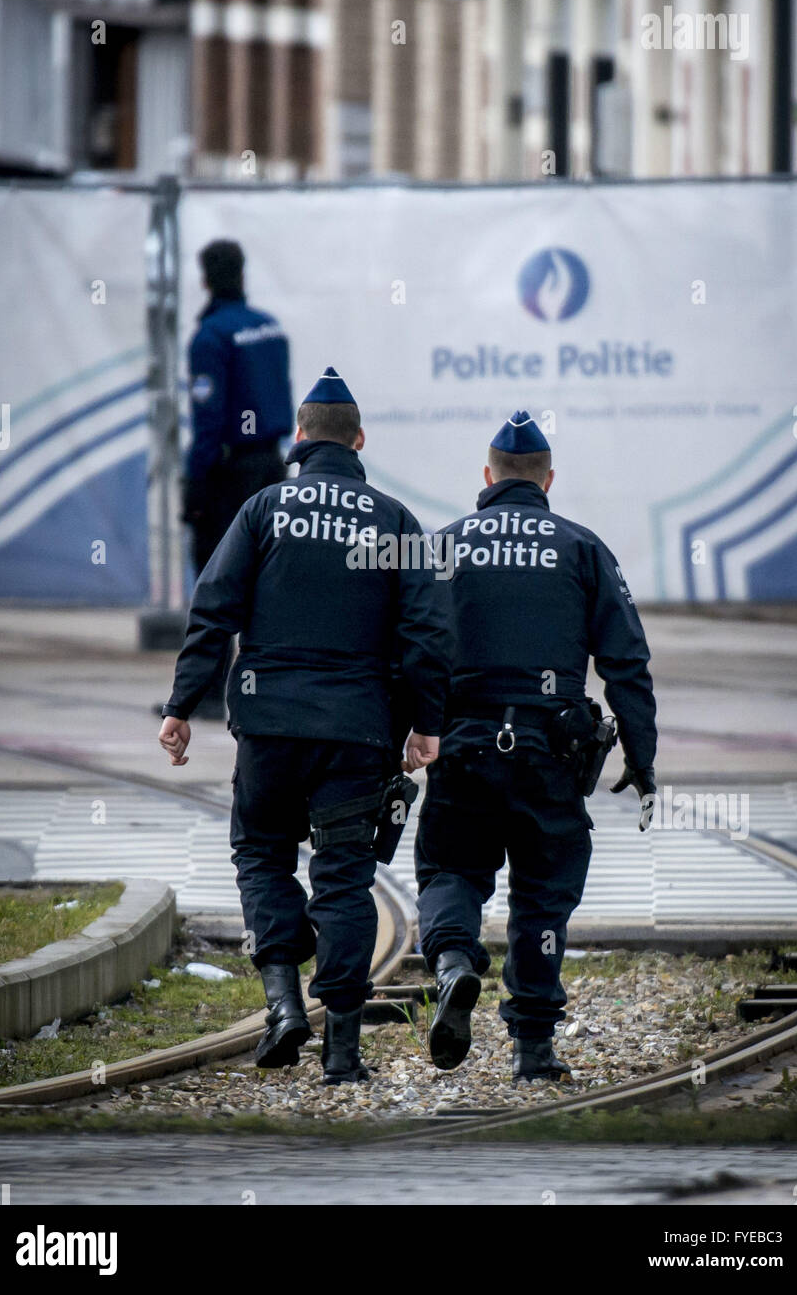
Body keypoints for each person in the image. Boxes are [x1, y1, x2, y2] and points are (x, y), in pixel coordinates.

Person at [158, 368, 452, 1084]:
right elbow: (426, 633)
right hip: (357, 733)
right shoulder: (395, 521)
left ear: (296, 437)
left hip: (268, 726)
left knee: (261, 855)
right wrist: (425, 726)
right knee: (345, 881)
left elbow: (213, 610)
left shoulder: (263, 509)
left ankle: (284, 1006)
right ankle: (343, 1055)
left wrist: (180, 704)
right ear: (358, 441)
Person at [415, 410, 657, 1082]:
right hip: (550, 754)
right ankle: (532, 1049)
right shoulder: (582, 548)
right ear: (547, 480)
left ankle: (455, 963)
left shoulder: (442, 547)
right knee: (542, 895)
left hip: (463, 748)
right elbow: (626, 663)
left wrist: (404, 740)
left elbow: (408, 654)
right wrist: (642, 758)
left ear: (485, 477)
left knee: (449, 873)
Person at [182, 239, 294, 720]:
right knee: (268, 579)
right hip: (271, 465)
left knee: (214, 577)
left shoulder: (210, 337)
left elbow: (207, 423)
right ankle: (269, 686)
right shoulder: (269, 327)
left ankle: (207, 694)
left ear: (205, 279)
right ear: (243, 274)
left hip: (227, 472)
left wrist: (195, 487)